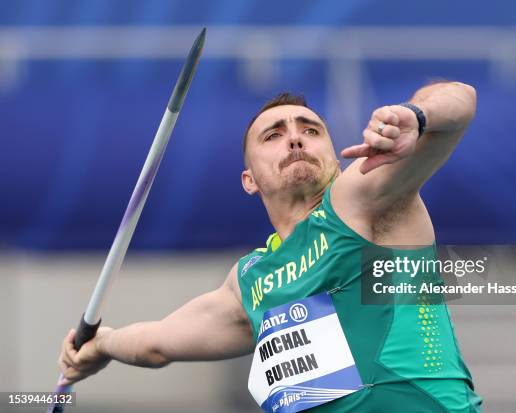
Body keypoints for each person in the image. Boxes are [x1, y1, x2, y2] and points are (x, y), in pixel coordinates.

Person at [59, 81, 482, 412]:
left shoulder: (365, 198)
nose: (295, 140)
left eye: (310, 130)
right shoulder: (250, 281)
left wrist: (416, 115)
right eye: (274, 135)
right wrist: (101, 345)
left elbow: (461, 100)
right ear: (249, 180)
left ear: (336, 160)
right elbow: (156, 342)